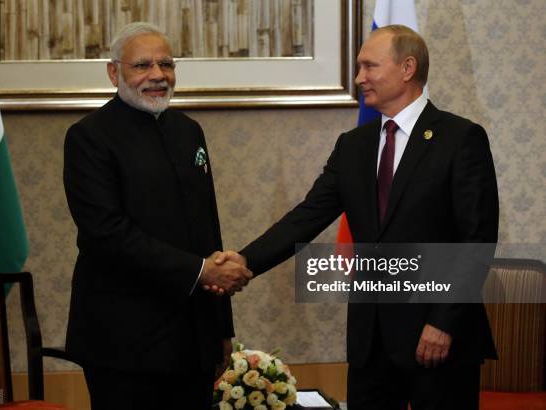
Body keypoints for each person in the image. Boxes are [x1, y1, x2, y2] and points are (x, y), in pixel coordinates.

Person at [213, 25, 498, 409]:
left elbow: (475, 239)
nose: (359, 77)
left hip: (437, 336)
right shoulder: (354, 146)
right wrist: (246, 260)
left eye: (369, 66)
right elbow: (308, 215)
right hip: (371, 341)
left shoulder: (460, 138)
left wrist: (443, 322)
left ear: (407, 68)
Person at [63, 22, 252, 409]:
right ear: (114, 72)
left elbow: (207, 232)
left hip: (192, 336)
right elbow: (107, 234)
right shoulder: (89, 137)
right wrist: (201, 271)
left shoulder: (189, 131)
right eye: (142, 66)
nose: (157, 76)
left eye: (166, 64)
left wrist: (221, 328)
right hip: (123, 340)